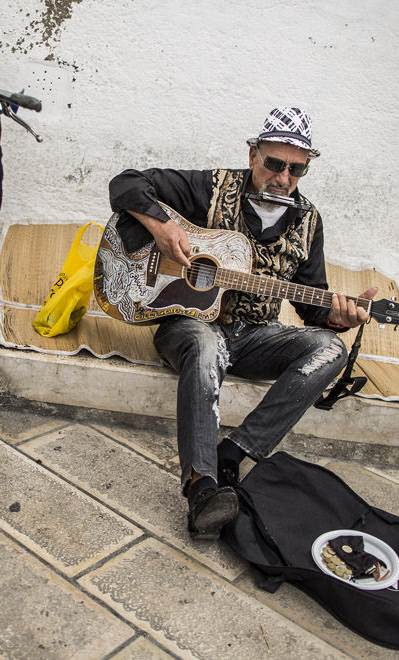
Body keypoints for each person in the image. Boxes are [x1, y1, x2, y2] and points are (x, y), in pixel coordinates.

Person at [108, 107, 376, 539]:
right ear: (253, 154)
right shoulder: (210, 187)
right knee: (206, 342)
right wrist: (160, 227)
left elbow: (312, 307)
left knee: (330, 348)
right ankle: (202, 488)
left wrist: (338, 316)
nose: (283, 177)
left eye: (296, 169)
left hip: (253, 338)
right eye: (274, 163)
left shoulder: (308, 220)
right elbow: (126, 183)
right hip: (188, 324)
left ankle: (235, 451)